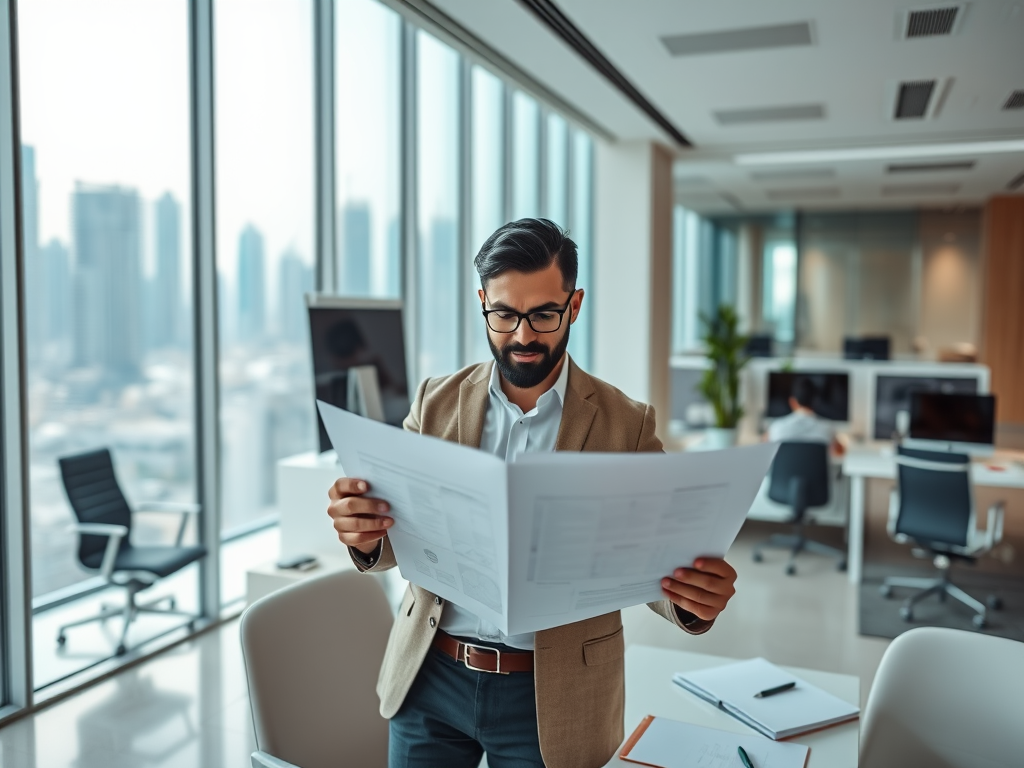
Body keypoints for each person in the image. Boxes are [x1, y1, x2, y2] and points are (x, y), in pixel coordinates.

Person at [327, 218, 739, 768]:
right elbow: (400, 538)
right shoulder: (435, 404)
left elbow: (652, 559)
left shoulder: (626, 425)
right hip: (431, 678)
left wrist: (691, 599)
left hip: (554, 696)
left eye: (544, 314)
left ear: (574, 305)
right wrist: (365, 535)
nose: (523, 335)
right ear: (482, 302)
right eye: (504, 314)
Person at [767, 376, 845, 456]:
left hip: (783, 468)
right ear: (816, 401)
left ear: (792, 402)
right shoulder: (827, 428)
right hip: (816, 468)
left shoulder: (776, 427)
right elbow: (840, 452)